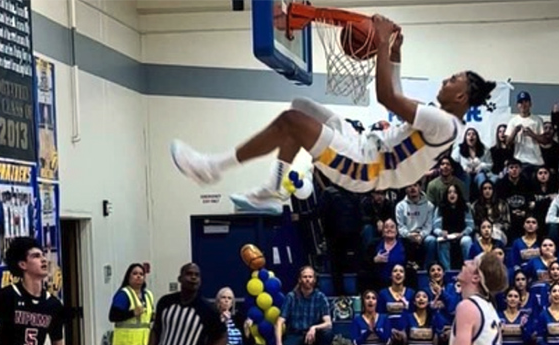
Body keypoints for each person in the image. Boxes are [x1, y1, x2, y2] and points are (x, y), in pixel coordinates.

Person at [170, 16, 496, 212]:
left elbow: (386, 96)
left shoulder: (443, 123)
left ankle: (212, 167)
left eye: (452, 79)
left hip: (363, 167)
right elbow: (394, 95)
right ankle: (274, 186)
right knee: (300, 107)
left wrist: (382, 42)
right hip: (365, 147)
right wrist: (394, 53)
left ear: (461, 95)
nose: (445, 80)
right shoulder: (444, 122)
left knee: (291, 123)